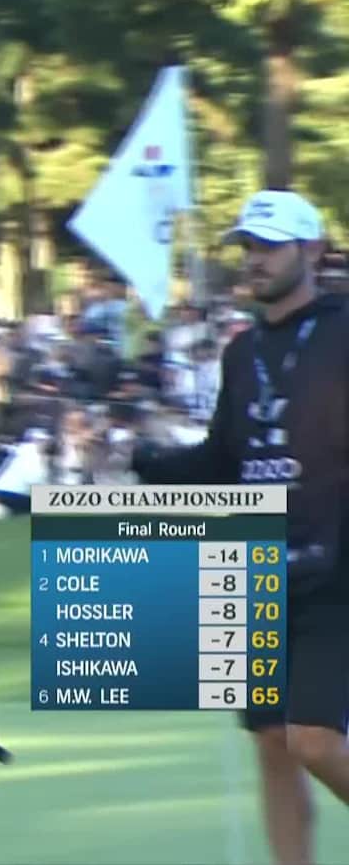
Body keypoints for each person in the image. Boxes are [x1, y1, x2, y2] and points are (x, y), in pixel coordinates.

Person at [132, 190, 349, 865]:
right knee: (271, 744)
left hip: (335, 566)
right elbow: (225, 460)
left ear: (312, 251)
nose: (253, 261)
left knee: (313, 737)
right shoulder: (241, 350)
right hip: (255, 568)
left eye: (268, 247)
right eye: (247, 248)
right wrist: (147, 462)